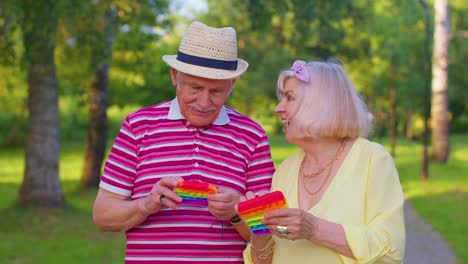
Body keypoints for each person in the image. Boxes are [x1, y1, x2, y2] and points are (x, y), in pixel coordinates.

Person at [92, 21, 275, 264]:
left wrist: (236, 214)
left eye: (216, 91)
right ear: (174, 76)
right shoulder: (138, 126)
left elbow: (271, 237)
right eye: (195, 87)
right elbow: (103, 216)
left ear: (232, 86)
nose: (204, 101)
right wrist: (146, 205)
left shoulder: (253, 136)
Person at [242, 59, 405, 263]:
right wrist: (260, 231)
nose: (278, 108)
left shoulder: (372, 159)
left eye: (289, 98)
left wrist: (314, 229)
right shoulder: (285, 170)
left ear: (321, 103)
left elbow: (391, 250)